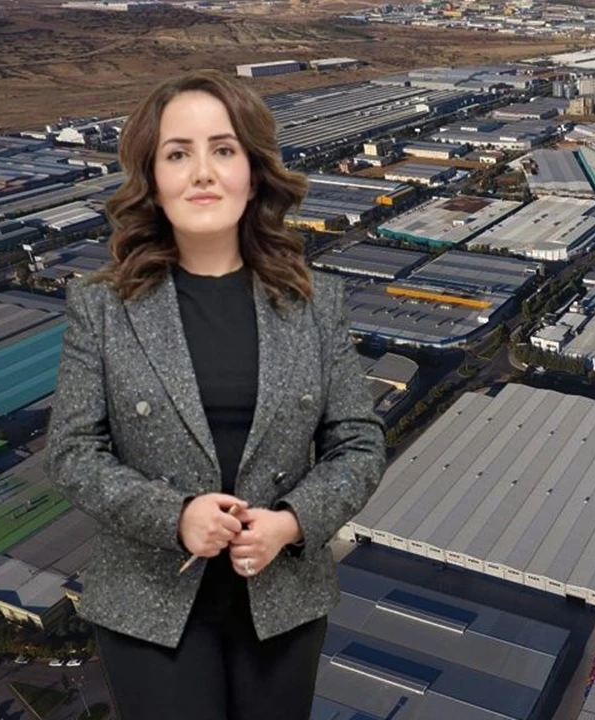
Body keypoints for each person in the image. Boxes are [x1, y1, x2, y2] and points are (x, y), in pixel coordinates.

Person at [45, 69, 386, 720]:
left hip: (283, 599)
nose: (202, 172)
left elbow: (359, 443)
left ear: (253, 174)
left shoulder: (315, 303)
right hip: (147, 603)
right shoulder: (102, 307)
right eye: (178, 154)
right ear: (153, 180)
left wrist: (291, 522)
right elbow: (71, 452)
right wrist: (175, 516)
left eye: (223, 149)